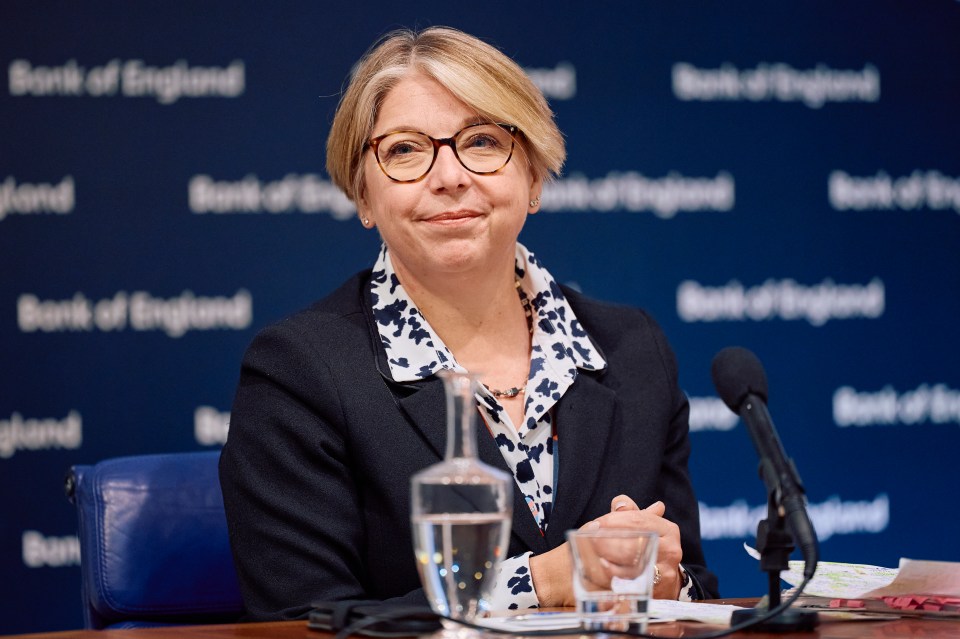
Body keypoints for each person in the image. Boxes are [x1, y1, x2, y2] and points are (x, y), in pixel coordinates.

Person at [219, 25, 719, 621]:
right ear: (362, 195)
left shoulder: (632, 350)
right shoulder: (299, 371)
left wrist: (671, 582)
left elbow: (695, 583)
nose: (450, 175)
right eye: (404, 150)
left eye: (481, 141)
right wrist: (538, 582)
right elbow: (301, 624)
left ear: (533, 177)